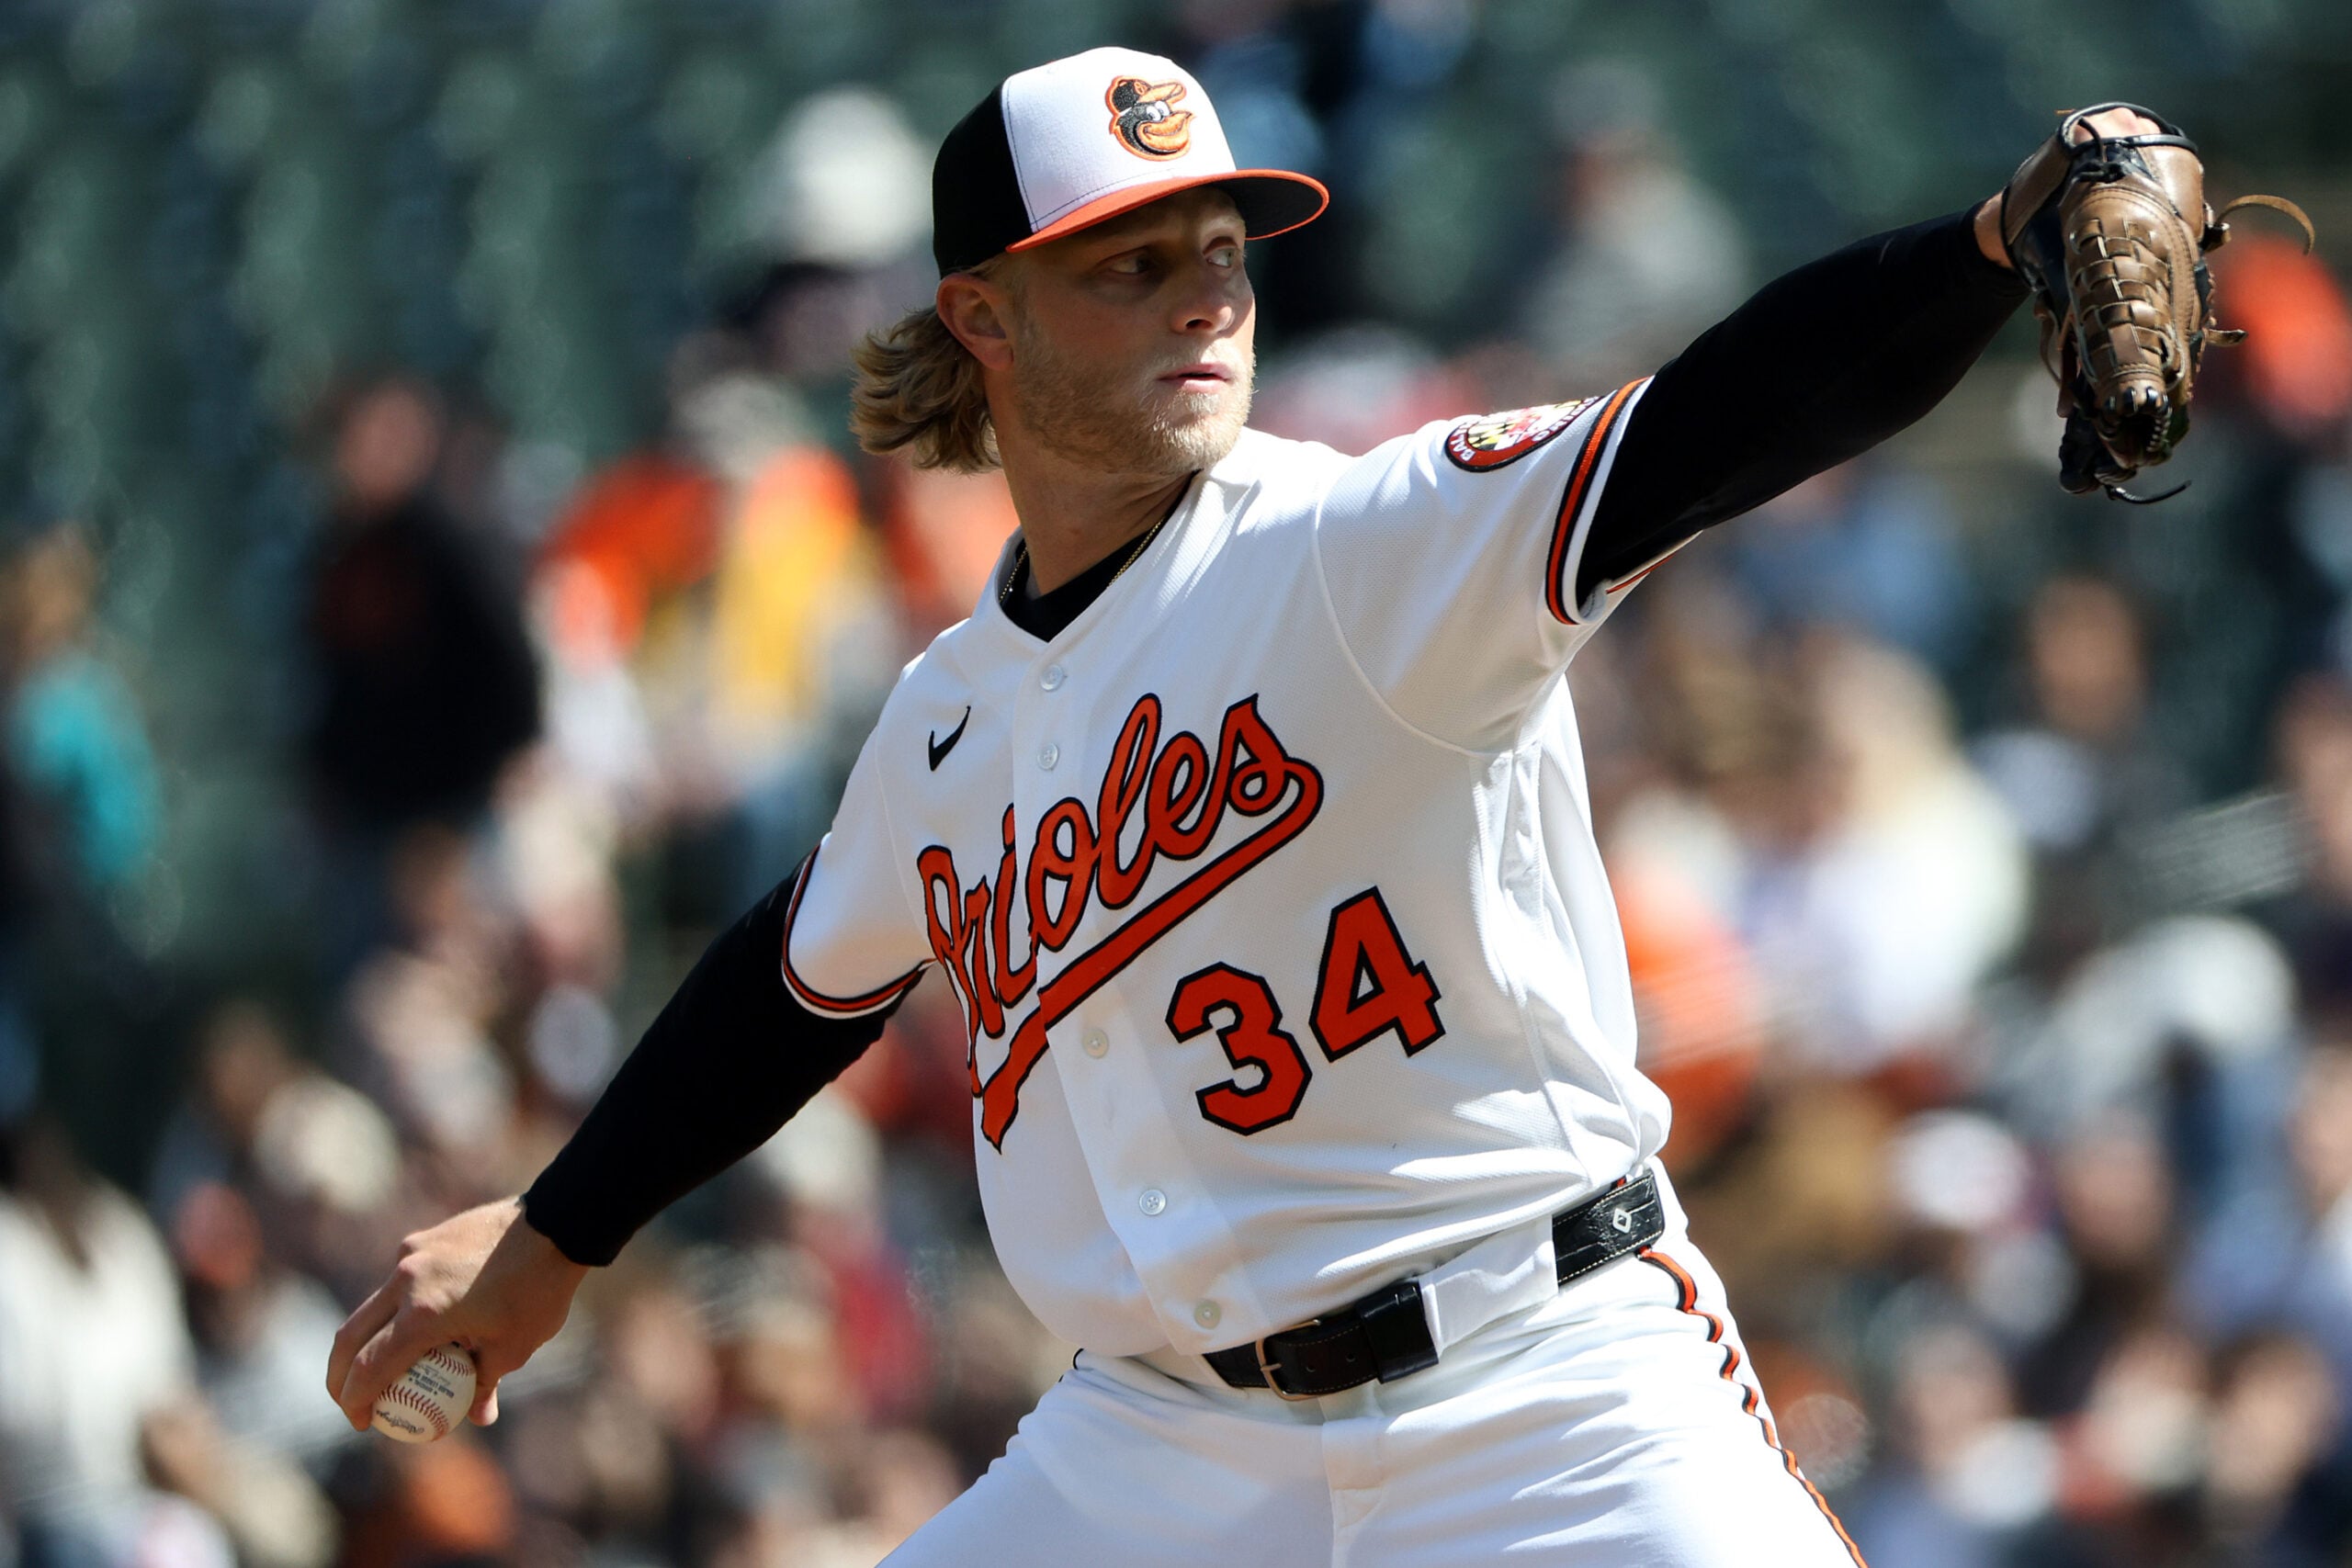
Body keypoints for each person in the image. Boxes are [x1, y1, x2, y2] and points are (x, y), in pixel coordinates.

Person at [327, 46, 2161, 1564]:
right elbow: (798, 980)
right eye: (1126, 260)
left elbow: (1703, 423)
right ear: (980, 314)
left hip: (1540, 1387)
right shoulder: (945, 713)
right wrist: (556, 1227)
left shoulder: (1360, 544)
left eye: (1220, 244)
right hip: (1165, 1449)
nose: (1205, 291)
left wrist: (1989, 246)